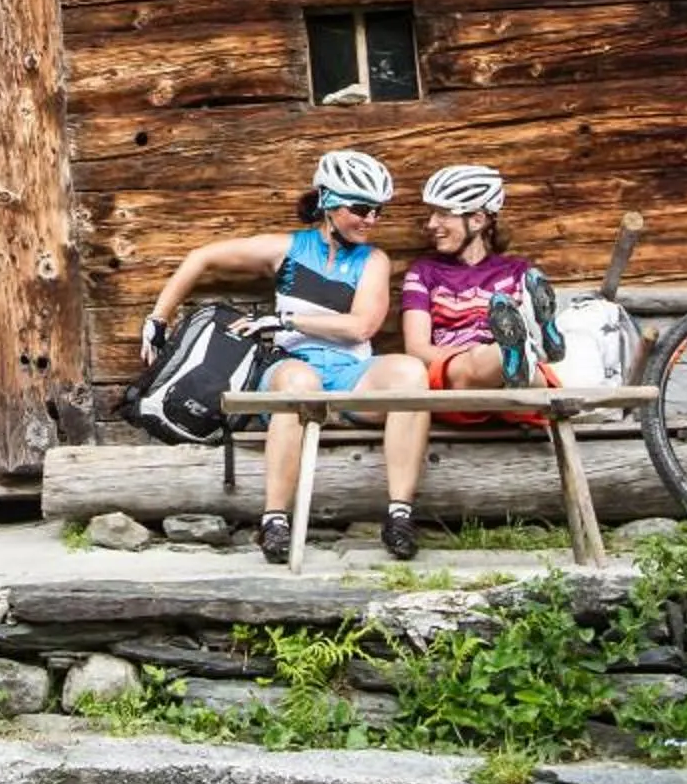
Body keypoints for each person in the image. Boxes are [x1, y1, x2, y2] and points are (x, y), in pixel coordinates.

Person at [138, 149, 425, 564]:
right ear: (327, 201)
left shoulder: (373, 260)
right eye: (361, 209)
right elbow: (201, 258)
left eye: (378, 210)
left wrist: (285, 320)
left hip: (350, 373)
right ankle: (274, 521)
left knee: (411, 373)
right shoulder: (288, 248)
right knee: (300, 383)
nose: (371, 219)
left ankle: (399, 516)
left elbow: (362, 326)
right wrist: (157, 318)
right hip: (291, 368)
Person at [372, 162, 567, 555]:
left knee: (525, 374)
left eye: (443, 215)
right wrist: (470, 355)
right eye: (432, 215)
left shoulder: (518, 271)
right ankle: (517, 351)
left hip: (513, 397)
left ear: (477, 220)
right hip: (455, 382)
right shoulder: (424, 273)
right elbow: (417, 349)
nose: (432, 224)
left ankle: (522, 352)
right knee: (481, 362)